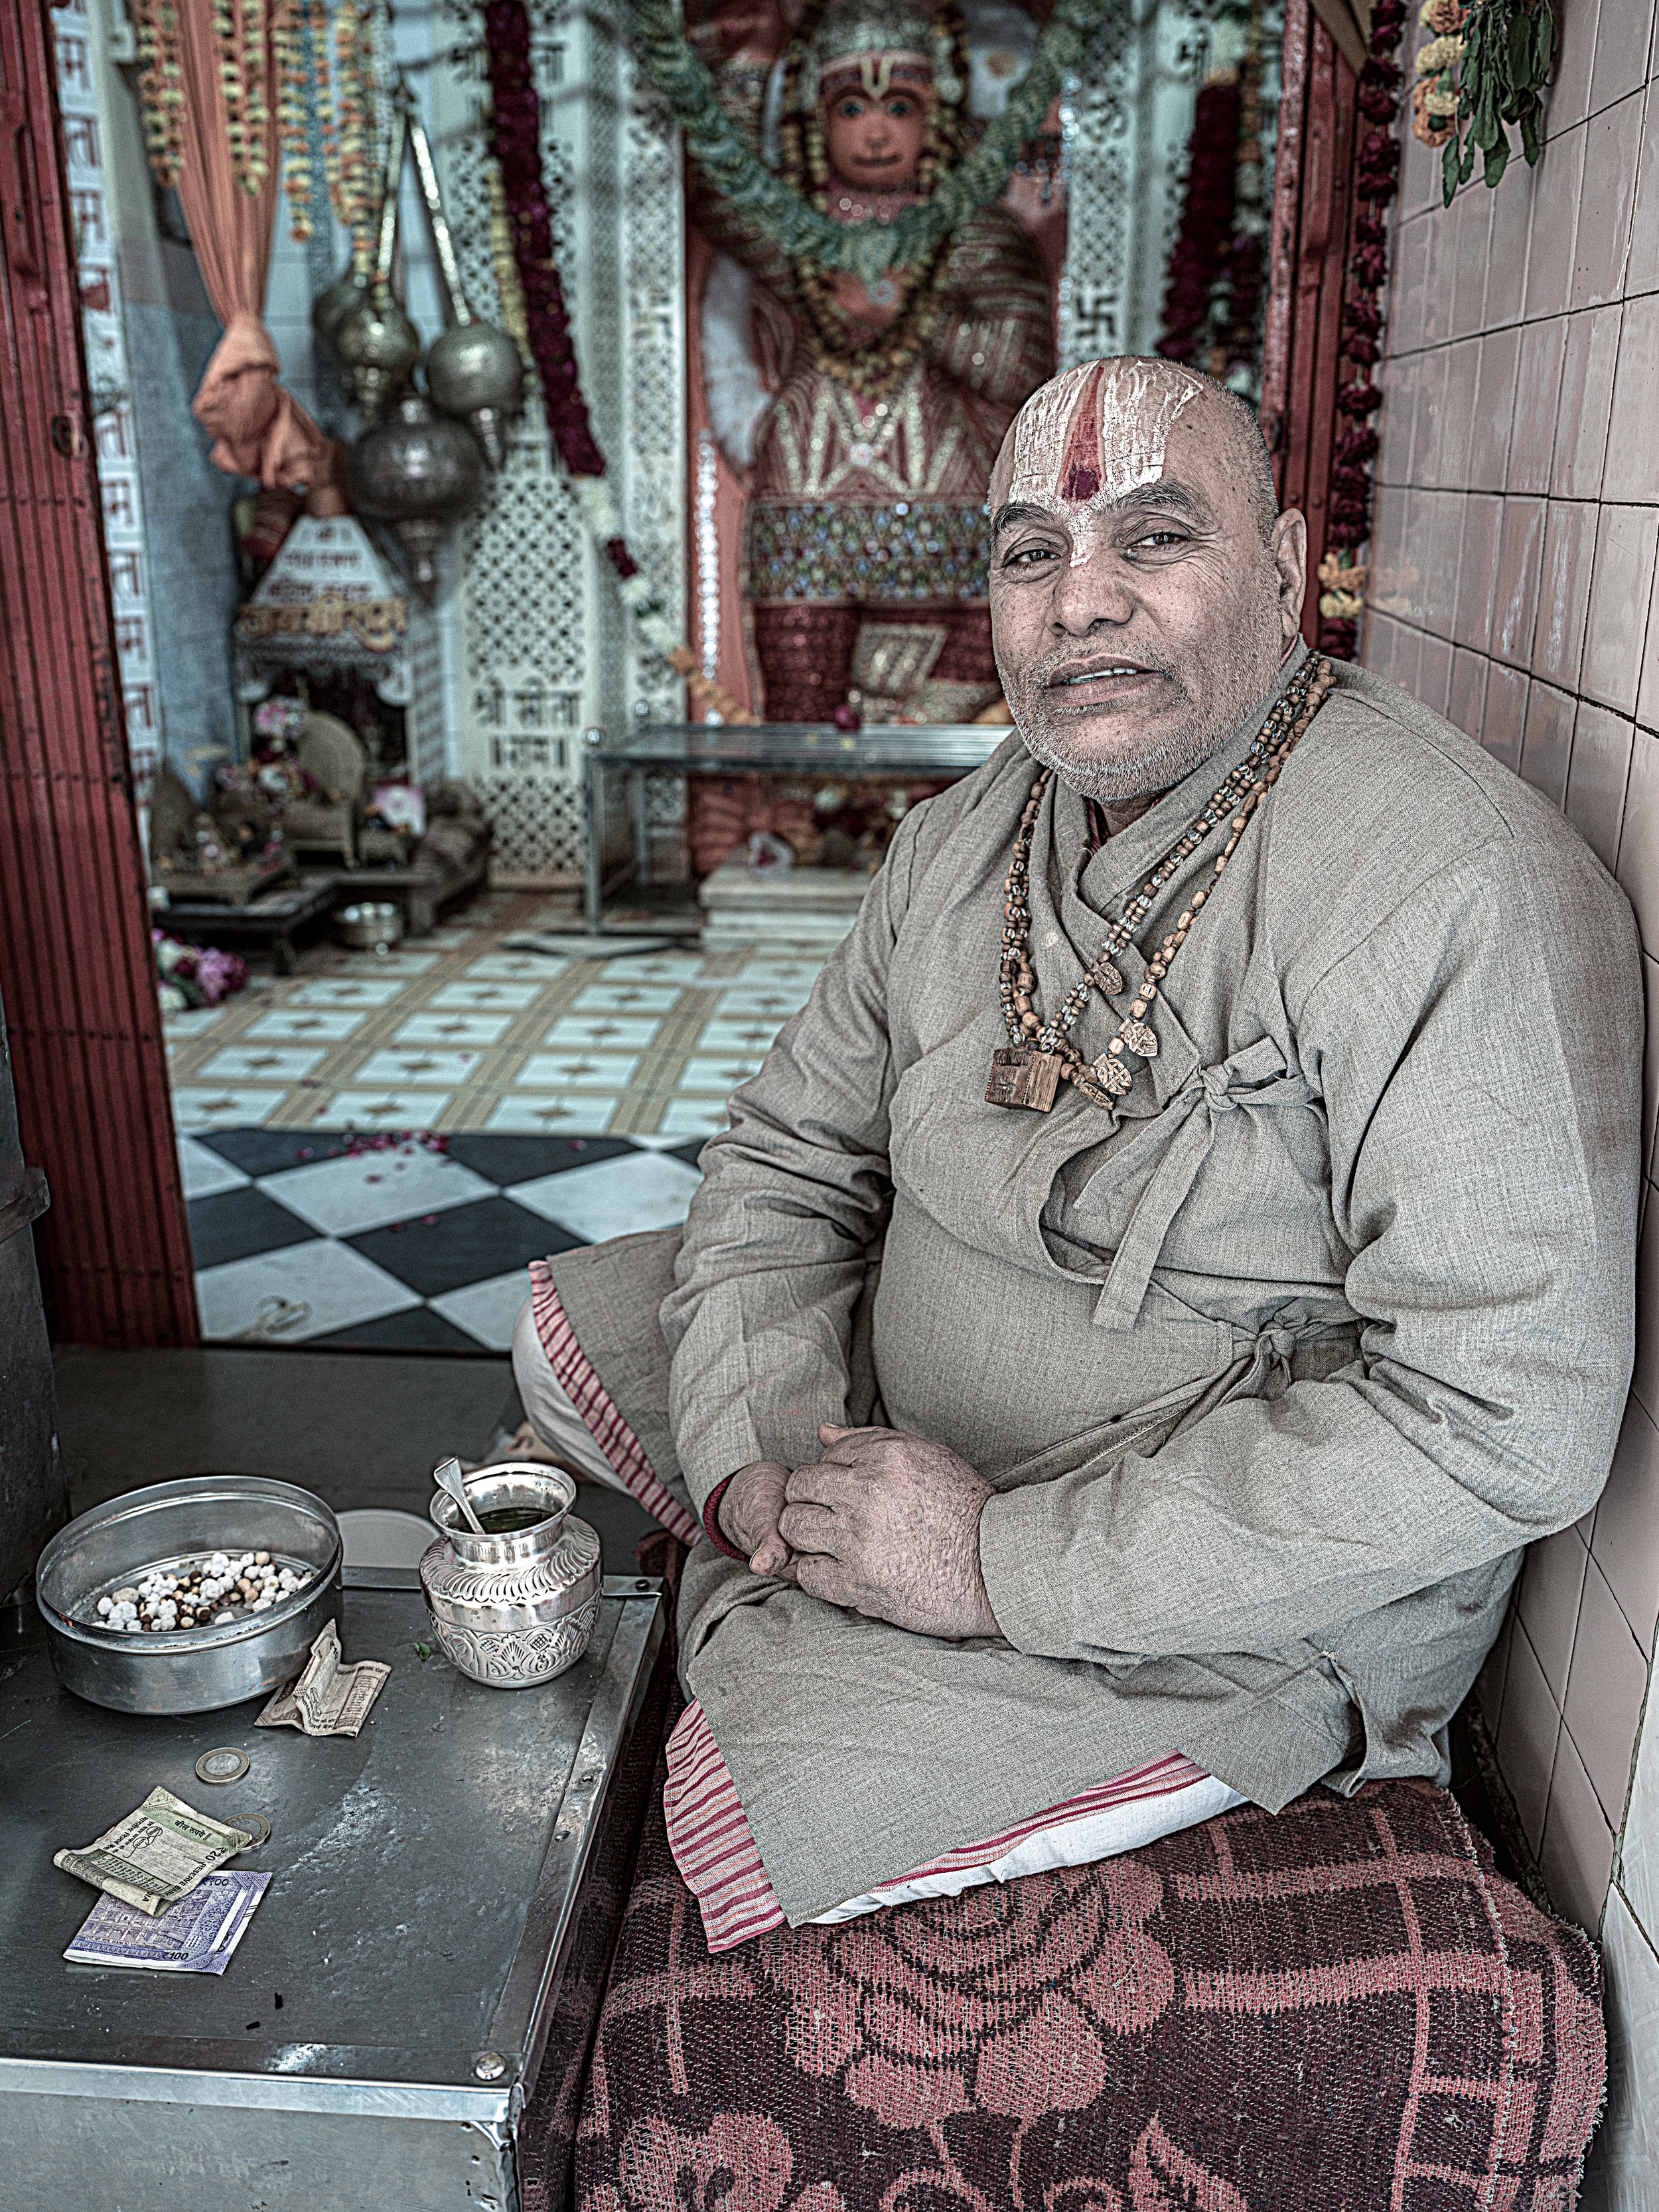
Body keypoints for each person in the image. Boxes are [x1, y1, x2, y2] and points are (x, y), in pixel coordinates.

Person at [514, 355, 1642, 1938]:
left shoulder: (1452, 884)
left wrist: (998, 1566)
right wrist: (761, 1452)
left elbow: (1503, 1420)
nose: (1079, 605)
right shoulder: (967, 830)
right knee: (564, 1332)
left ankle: (861, 1627)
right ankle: (814, 1566)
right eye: (1031, 552)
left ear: (1289, 562)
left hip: (1190, 1589)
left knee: (738, 1813)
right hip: (901, 1423)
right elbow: (783, 1161)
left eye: (1155, 540)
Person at [686, 0, 1054, 723]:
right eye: (852, 106)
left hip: (952, 521)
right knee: (799, 732)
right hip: (805, 520)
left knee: (950, 740)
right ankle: (804, 829)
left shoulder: (975, 233)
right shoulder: (803, 230)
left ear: (936, 115)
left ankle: (918, 827)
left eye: (900, 106)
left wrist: (908, 316)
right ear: (817, 118)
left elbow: (1023, 372)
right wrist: (754, 62)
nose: (878, 132)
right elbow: (719, 198)